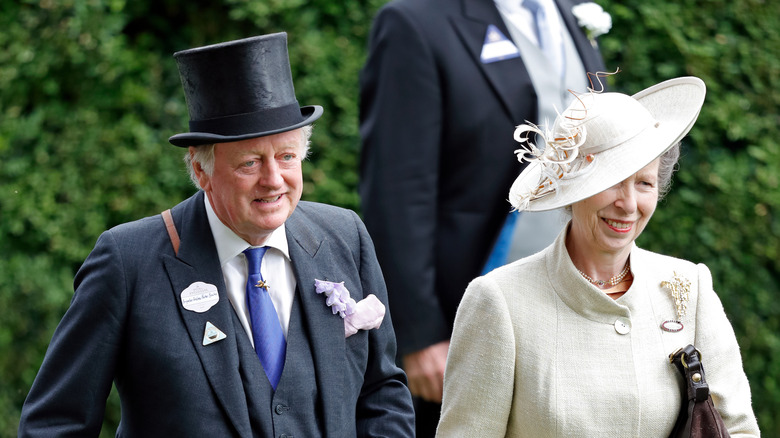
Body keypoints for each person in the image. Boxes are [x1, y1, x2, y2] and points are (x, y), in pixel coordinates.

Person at [19, 33, 415, 437]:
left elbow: (381, 393)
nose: (273, 180)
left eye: (286, 156)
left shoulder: (344, 235)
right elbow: (54, 422)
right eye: (250, 163)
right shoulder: (127, 261)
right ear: (202, 169)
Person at [436, 76, 760, 436]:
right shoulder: (499, 301)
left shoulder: (688, 287)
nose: (628, 204)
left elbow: (738, 429)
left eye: (644, 183)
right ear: (573, 190)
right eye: (612, 181)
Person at [358, 0, 608, 433]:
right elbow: (397, 187)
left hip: (570, 309)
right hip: (464, 318)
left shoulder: (571, 14)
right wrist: (418, 335)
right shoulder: (415, 23)